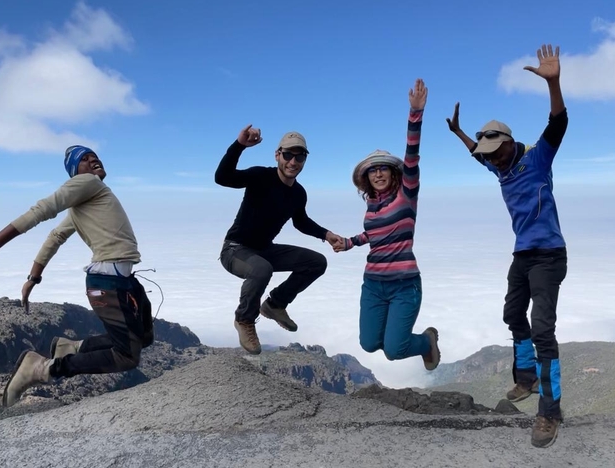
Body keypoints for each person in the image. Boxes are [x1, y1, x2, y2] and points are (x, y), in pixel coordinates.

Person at [445, 44, 568, 448]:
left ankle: (550, 413)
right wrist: (460, 134)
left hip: (549, 255)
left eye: (494, 152)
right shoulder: (497, 163)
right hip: (523, 255)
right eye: (487, 155)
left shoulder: (536, 159)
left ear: (508, 142)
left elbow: (558, 122)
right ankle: (526, 379)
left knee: (544, 330)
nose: (491, 160)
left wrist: (554, 83)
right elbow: (474, 155)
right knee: (513, 313)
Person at [0, 145, 153, 408]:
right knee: (126, 356)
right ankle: (41, 368)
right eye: (83, 160)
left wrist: (33, 278)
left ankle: (70, 347)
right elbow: (41, 210)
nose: (92, 159)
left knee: (144, 337)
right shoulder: (87, 184)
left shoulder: (87, 201)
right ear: (76, 173)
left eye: (93, 155)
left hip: (122, 280)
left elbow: (55, 237)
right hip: (109, 282)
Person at [331, 78, 440, 371]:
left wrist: (415, 114)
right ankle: (408, 339)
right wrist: (349, 242)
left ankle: (426, 342)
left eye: (383, 168)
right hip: (373, 283)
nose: (378, 173)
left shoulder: (407, 194)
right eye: (372, 170)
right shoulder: (372, 204)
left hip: (404, 285)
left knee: (394, 350)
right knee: (369, 344)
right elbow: (374, 233)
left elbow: (412, 156)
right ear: (366, 178)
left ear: (393, 173)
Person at [215, 126, 341, 355]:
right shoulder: (260, 176)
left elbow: (300, 221)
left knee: (316, 262)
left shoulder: (298, 193)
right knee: (262, 269)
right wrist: (239, 145)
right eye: (288, 155)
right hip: (235, 250)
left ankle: (275, 304)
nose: (293, 161)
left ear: (305, 159)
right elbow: (222, 178)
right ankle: (244, 320)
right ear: (278, 155)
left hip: (264, 250)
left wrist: (326, 234)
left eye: (299, 156)